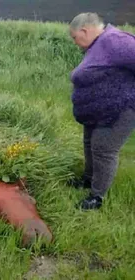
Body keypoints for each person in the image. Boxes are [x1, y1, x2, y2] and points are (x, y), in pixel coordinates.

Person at [68, 13, 135, 210]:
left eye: (74, 37)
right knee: (90, 144)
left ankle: (96, 197)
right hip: (97, 112)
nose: (75, 42)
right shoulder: (99, 44)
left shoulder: (115, 41)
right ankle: (88, 180)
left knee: (104, 150)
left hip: (118, 110)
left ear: (84, 30)